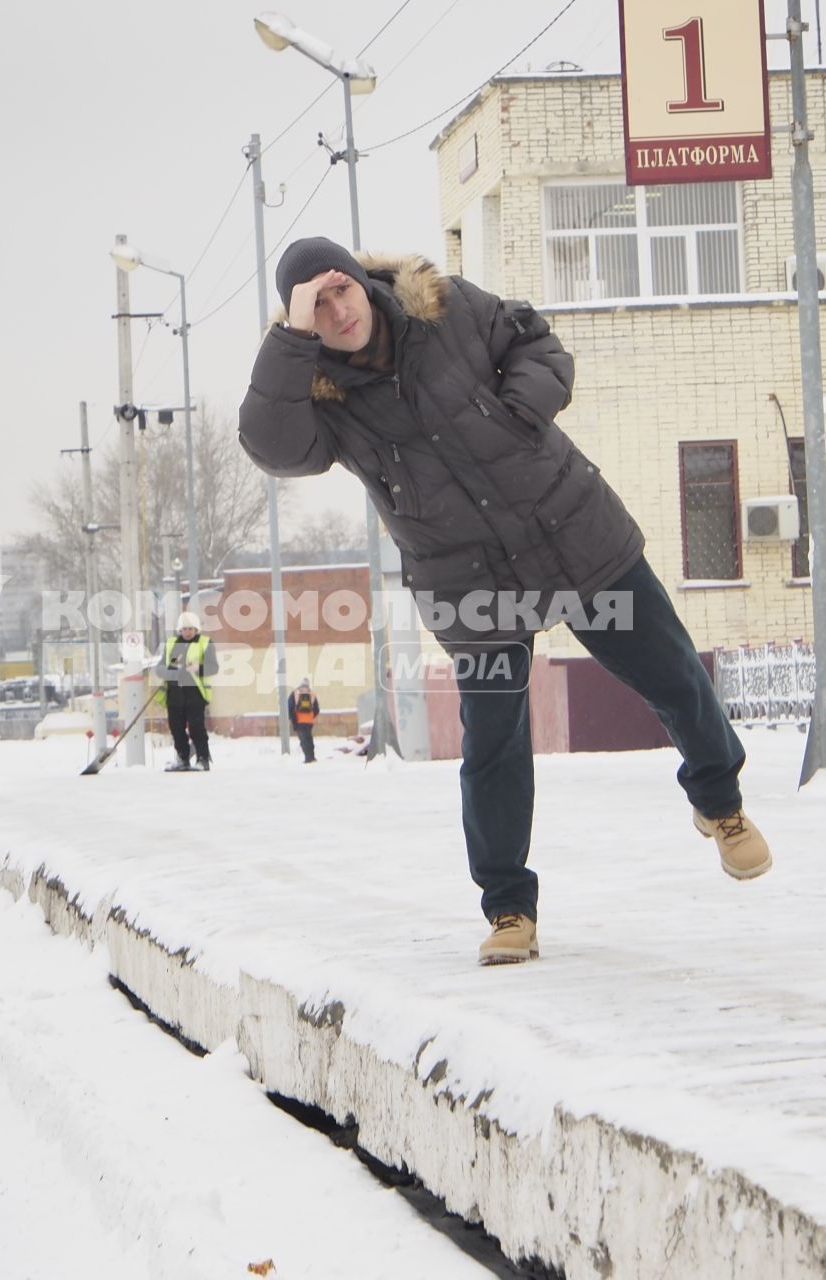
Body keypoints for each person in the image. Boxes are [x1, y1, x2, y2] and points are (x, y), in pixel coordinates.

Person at [238, 237, 772, 967]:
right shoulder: (320, 396)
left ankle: (721, 805)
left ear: (364, 283)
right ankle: (510, 908)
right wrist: (290, 341)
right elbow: (270, 447)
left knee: (673, 673)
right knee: (494, 744)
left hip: (575, 535)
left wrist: (522, 409)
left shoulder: (447, 310)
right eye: (316, 306)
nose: (337, 312)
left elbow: (535, 342)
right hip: (468, 583)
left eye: (342, 291)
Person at [155, 610, 217, 772]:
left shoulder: (205, 643)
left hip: (194, 692)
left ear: (196, 629)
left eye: (190, 629)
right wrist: (172, 672)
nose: (187, 632)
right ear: (179, 630)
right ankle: (182, 758)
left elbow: (213, 667)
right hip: (174, 693)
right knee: (176, 728)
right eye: (184, 629)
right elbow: (161, 668)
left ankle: (203, 759)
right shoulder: (172, 644)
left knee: (197, 727)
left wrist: (198, 668)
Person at [287, 677, 320, 763]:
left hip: (298, 720)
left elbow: (289, 707)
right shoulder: (311, 694)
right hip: (309, 721)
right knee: (309, 738)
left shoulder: (295, 693)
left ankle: (308, 758)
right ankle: (312, 757)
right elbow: (316, 709)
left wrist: (291, 718)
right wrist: (311, 716)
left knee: (303, 740)